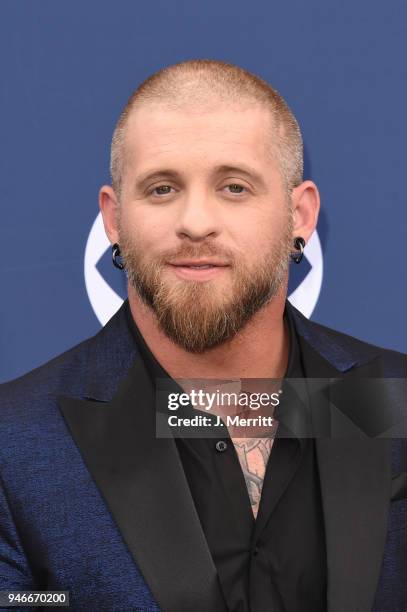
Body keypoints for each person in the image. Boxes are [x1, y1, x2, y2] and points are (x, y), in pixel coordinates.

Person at [0, 59, 406, 612]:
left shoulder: (394, 402)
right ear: (114, 220)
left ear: (300, 216)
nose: (195, 221)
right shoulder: (15, 442)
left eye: (234, 187)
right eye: (162, 188)